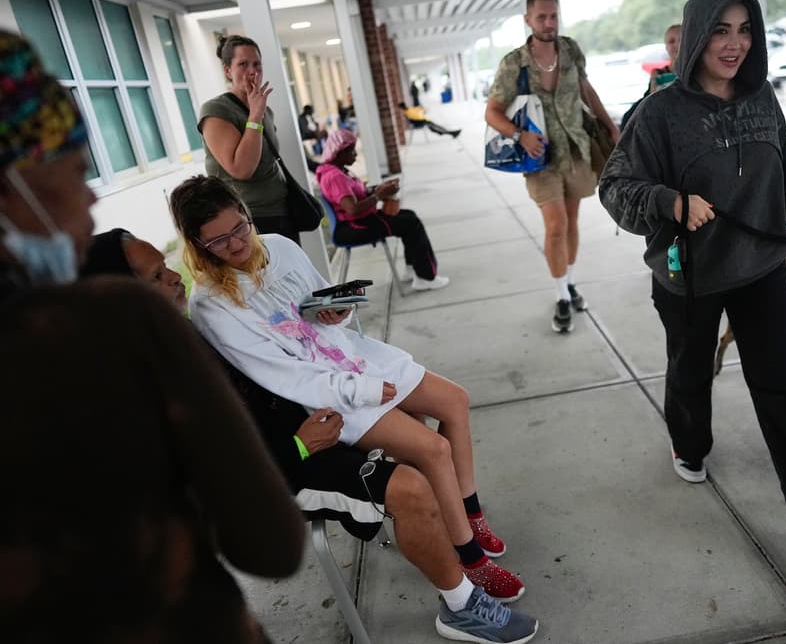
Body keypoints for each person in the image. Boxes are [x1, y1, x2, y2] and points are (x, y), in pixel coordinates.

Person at [80, 230, 540, 643]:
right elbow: (212, 483)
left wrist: (325, 331)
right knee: (412, 488)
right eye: (156, 276)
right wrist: (301, 444)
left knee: (416, 423)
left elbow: (279, 364)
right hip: (283, 468)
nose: (173, 278)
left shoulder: (182, 330)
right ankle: (461, 605)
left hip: (304, 429)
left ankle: (457, 537)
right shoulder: (144, 384)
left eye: (166, 266)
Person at [0, 30, 306, 641]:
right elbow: (270, 544)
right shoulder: (116, 321)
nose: (90, 197)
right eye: (78, 171)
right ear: (12, 186)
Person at [599, 0, 786, 549]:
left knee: (780, 387)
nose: (735, 43)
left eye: (745, 30)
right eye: (722, 30)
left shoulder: (761, 99)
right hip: (689, 280)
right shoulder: (659, 114)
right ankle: (689, 443)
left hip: (759, 269)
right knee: (691, 372)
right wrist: (669, 203)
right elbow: (615, 187)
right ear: (698, 34)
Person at [169, 175, 527, 601]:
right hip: (328, 394)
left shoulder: (280, 246)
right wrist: (364, 391)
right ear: (195, 244)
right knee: (433, 448)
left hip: (356, 358)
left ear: (246, 214)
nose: (235, 244)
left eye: (239, 228)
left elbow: (317, 303)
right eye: (217, 241)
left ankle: (470, 515)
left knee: (455, 401)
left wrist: (334, 311)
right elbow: (285, 376)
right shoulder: (212, 304)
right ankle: (470, 557)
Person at [486, 0, 620, 334]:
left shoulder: (571, 49)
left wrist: (609, 124)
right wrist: (520, 135)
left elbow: (586, 90)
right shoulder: (513, 62)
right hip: (539, 157)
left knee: (572, 221)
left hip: (576, 150)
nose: (549, 22)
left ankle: (570, 281)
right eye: (542, 16)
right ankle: (561, 296)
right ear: (528, 20)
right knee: (556, 224)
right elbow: (492, 112)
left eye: (553, 16)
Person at [316, 128, 450, 291]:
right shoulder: (334, 176)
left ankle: (413, 269)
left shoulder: (339, 170)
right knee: (411, 223)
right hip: (354, 227)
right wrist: (379, 195)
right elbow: (352, 209)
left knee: (408, 216)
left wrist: (379, 189)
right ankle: (425, 277)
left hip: (361, 221)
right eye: (352, 152)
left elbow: (358, 194)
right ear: (340, 152)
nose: (355, 155)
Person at [198, 34, 302, 243]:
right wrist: (255, 116)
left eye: (257, 64)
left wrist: (258, 111)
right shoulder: (216, 110)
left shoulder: (265, 110)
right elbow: (242, 169)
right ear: (228, 70)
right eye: (243, 64)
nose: (252, 71)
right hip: (247, 221)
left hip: (282, 213)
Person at [620, 24, 682, 130]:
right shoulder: (657, 74)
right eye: (671, 41)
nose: (677, 44)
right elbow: (650, 102)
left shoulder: (701, 72)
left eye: (681, 40)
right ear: (666, 47)